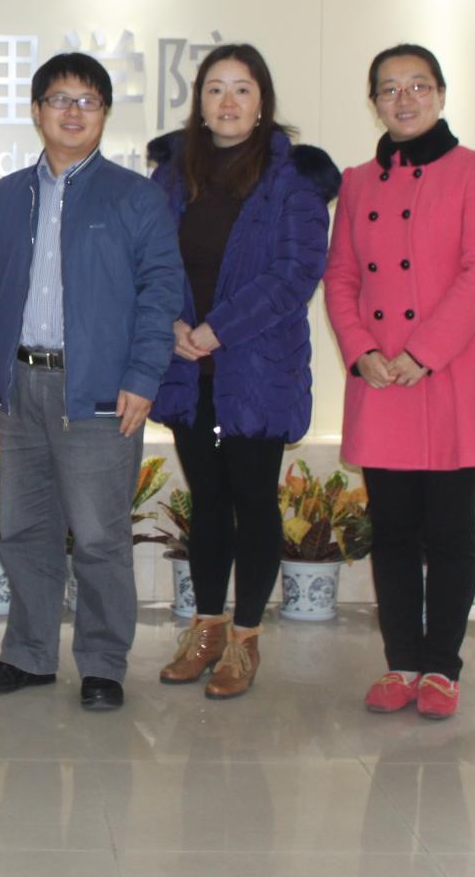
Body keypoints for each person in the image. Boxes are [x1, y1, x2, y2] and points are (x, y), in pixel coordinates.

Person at [0, 53, 182, 713]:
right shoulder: (7, 196)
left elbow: (161, 292)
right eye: (59, 99)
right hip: (21, 388)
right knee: (23, 531)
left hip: (99, 394)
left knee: (98, 538)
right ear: (36, 111)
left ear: (104, 114)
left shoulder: (135, 196)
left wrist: (143, 375)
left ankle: (103, 663)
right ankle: (29, 655)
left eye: (87, 101)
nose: (72, 112)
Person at [324, 43, 475, 721]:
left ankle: (442, 667)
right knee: (393, 530)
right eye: (389, 88)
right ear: (374, 102)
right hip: (381, 378)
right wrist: (360, 350)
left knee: (450, 529)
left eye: (418, 86)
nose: (404, 99)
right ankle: (401, 660)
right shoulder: (356, 182)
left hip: (451, 372)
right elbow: (341, 276)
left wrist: (424, 351)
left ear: (440, 94)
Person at [149, 43, 338, 699]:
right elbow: (149, 262)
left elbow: (296, 273)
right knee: (207, 503)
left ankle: (246, 638)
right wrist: (173, 324)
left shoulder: (294, 180)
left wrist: (218, 328)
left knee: (253, 503)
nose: (227, 102)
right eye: (214, 89)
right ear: (198, 103)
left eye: (242, 89)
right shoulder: (172, 176)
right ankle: (206, 628)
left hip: (258, 367)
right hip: (186, 368)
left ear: (262, 104)